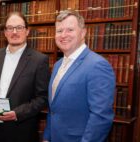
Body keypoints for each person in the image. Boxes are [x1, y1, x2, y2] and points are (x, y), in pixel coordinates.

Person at [43, 10, 115, 142]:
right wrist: (47, 137)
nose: (63, 35)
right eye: (59, 31)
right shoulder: (58, 65)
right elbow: (53, 109)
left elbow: (101, 117)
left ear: (83, 33)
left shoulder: (97, 65)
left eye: (70, 30)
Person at [0, 11, 50, 142]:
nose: (14, 32)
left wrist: (16, 114)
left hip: (20, 131)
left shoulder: (39, 60)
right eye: (10, 28)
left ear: (27, 31)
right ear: (5, 32)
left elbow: (42, 98)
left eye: (19, 27)